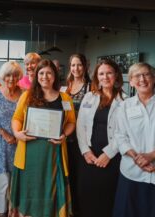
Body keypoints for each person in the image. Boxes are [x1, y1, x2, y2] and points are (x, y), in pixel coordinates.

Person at [9, 59, 76, 217]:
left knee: (50, 189)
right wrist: (17, 133)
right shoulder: (27, 96)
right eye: (41, 73)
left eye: (49, 73)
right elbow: (16, 118)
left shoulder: (65, 98)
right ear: (36, 75)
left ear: (55, 75)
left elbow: (71, 122)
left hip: (54, 154)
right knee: (29, 190)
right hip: (28, 154)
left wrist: (64, 135)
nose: (45, 76)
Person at [113, 62, 155, 217]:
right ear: (132, 82)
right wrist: (137, 158)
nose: (142, 79)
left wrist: (152, 155)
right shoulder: (124, 106)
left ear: (154, 78)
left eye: (146, 74)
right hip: (131, 173)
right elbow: (120, 136)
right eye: (136, 76)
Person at [76, 59, 125, 217]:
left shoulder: (125, 101)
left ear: (116, 75)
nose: (105, 77)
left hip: (112, 158)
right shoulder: (89, 97)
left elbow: (125, 132)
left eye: (109, 73)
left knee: (107, 196)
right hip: (89, 156)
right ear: (97, 77)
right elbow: (80, 126)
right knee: (86, 194)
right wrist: (85, 151)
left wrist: (108, 154)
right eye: (101, 73)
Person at [0, 61, 23, 217]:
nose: (11, 78)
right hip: (1, 144)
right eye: (8, 75)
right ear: (3, 76)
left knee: (17, 183)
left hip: (20, 144)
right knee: (3, 182)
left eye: (15, 75)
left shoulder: (24, 94)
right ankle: (0, 213)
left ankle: (14, 212)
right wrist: (4, 133)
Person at [64, 53, 91, 216]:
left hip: (82, 136)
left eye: (79, 65)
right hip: (66, 135)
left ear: (85, 66)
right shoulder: (65, 86)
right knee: (68, 171)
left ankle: (79, 207)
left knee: (79, 173)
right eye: (73, 65)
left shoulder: (91, 86)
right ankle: (68, 205)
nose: (76, 68)